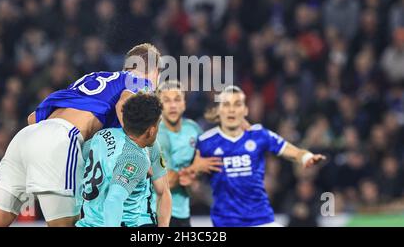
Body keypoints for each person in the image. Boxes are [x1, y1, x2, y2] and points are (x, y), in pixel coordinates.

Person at [0, 43, 161, 227]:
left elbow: (32, 118)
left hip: (26, 137)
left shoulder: (91, 79)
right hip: (61, 139)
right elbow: (124, 104)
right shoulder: (139, 81)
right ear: (155, 71)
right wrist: (137, 148)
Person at [195, 85, 326, 227]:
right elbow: (188, 174)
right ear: (219, 111)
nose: (232, 110)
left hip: (260, 219)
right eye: (226, 105)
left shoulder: (259, 135)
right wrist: (195, 170)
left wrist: (305, 157)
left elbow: (291, 151)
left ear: (245, 110)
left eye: (237, 104)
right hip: (226, 222)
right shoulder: (206, 142)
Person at [76, 92, 165, 227]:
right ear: (151, 130)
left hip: (86, 222)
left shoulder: (102, 135)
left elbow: (80, 160)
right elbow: (114, 200)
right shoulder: (136, 157)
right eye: (158, 124)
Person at [153, 81, 222, 227]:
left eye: (177, 99)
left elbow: (205, 164)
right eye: (166, 100)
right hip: (157, 213)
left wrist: (195, 179)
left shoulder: (193, 129)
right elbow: (166, 182)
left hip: (183, 212)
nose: (173, 105)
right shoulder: (156, 135)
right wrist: (193, 170)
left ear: (184, 103)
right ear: (159, 105)